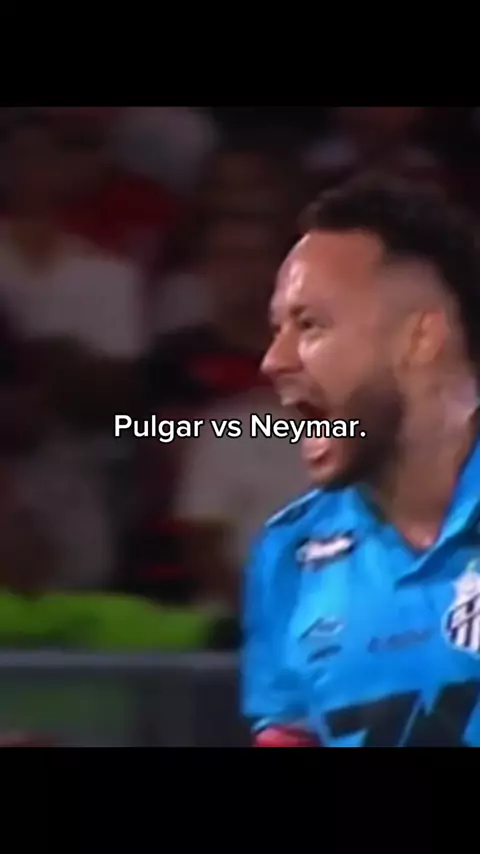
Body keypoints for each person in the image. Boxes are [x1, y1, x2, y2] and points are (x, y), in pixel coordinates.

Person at [242, 174, 480, 747]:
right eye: (277, 329)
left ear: (420, 337)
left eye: (310, 325)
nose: (274, 360)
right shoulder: (290, 555)